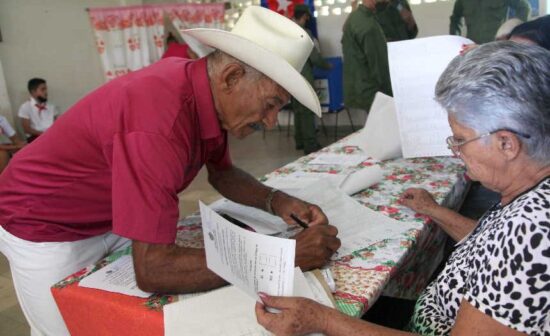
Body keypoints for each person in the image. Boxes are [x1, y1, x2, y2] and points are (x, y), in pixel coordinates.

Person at [0, 7, 341, 335]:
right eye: (270, 105)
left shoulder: (203, 92)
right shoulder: (160, 121)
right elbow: (153, 268)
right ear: (232, 77)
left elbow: (222, 173)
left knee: (117, 320)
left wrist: (276, 201)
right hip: (41, 220)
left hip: (107, 212)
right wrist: (284, 258)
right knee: (65, 328)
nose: (269, 121)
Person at [256, 41, 550, 335]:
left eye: (460, 139)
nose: (453, 150)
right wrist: (432, 210)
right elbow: (488, 242)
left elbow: (512, 249)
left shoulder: (531, 230)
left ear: (506, 144)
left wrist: (323, 320)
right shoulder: (531, 193)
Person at [291, 4, 332, 155]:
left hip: (290, 75)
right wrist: (327, 65)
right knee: (307, 109)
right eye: (307, 16)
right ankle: (310, 144)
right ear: (305, 16)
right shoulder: (304, 33)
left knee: (297, 110)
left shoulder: (286, 31)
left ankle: (299, 140)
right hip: (304, 74)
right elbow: (314, 57)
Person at [342, 0, 393, 114]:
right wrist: (392, 92)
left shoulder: (354, 17)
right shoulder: (369, 26)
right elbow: (379, 66)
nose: (388, 2)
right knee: (383, 128)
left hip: (359, 87)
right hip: (372, 90)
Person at [450, 0, 530, 44]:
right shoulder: (463, 1)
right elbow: (455, 19)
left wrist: (513, 31)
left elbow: (524, 8)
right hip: (472, 47)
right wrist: (455, 40)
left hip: (497, 45)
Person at [18, 78, 58, 142]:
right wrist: (44, 134)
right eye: (42, 89)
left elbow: (56, 124)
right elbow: (27, 129)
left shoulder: (51, 107)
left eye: (46, 89)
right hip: (35, 138)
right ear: (33, 92)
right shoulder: (25, 107)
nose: (46, 92)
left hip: (52, 136)